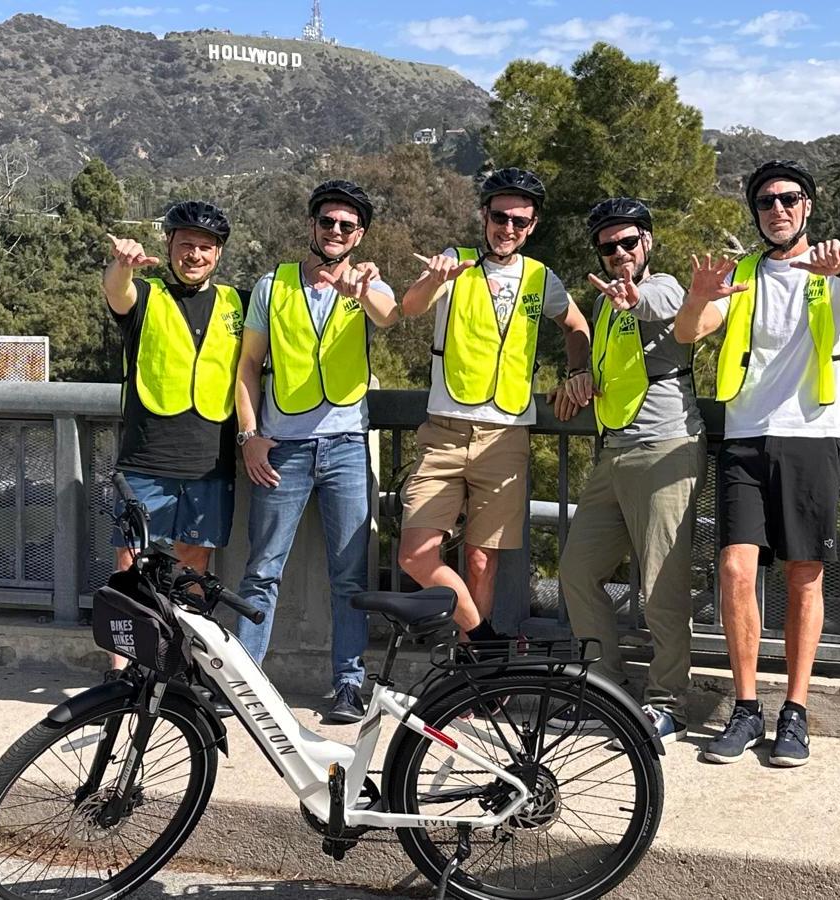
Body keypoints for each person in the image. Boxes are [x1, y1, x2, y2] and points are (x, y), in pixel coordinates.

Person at [676, 159, 840, 766]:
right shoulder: (743, 274)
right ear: (755, 213)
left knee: (804, 576)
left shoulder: (832, 266)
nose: (778, 209)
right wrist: (699, 297)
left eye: (789, 199)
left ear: (807, 206)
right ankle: (747, 707)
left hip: (813, 435)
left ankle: (796, 712)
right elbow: (689, 332)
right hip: (746, 436)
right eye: (766, 201)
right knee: (734, 570)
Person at [398, 167, 592, 646]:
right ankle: (486, 642)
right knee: (414, 555)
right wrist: (433, 279)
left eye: (520, 222)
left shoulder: (541, 278)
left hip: (506, 435)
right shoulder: (454, 262)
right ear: (484, 215)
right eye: (501, 217)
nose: (509, 229)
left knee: (483, 562)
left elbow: (576, 326)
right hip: (444, 430)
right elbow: (410, 307)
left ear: (533, 226)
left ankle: (471, 672)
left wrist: (577, 371)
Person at [234, 180, 399, 723]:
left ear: (361, 235)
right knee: (262, 569)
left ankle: (349, 686)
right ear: (311, 226)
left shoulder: (368, 282)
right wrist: (249, 435)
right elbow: (247, 368)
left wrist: (361, 290)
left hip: (348, 444)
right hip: (282, 445)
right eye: (327, 222)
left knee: (349, 575)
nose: (335, 232)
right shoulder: (271, 285)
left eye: (346, 226)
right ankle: (246, 683)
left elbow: (388, 315)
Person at [555, 198, 705, 744]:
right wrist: (579, 380)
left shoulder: (661, 287)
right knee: (576, 569)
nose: (619, 253)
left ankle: (667, 702)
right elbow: (608, 372)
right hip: (612, 453)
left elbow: (661, 302)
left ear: (648, 243)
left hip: (665, 450)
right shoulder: (603, 308)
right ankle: (605, 688)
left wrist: (633, 295)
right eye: (608, 246)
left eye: (628, 243)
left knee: (661, 584)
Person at [103, 201, 245, 668]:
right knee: (131, 563)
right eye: (186, 245)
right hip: (146, 456)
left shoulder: (236, 304)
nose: (196, 254)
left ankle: (181, 663)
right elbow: (116, 294)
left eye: (206, 247)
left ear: (219, 254)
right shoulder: (146, 296)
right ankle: (122, 670)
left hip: (210, 459)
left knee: (194, 566)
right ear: (170, 246)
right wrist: (121, 266)